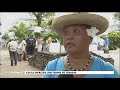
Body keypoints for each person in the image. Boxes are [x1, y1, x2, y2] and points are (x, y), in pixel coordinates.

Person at [42, 13, 119, 78]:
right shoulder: (52, 67)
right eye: (66, 32)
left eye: (76, 31)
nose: (69, 36)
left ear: (90, 38)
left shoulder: (106, 70)